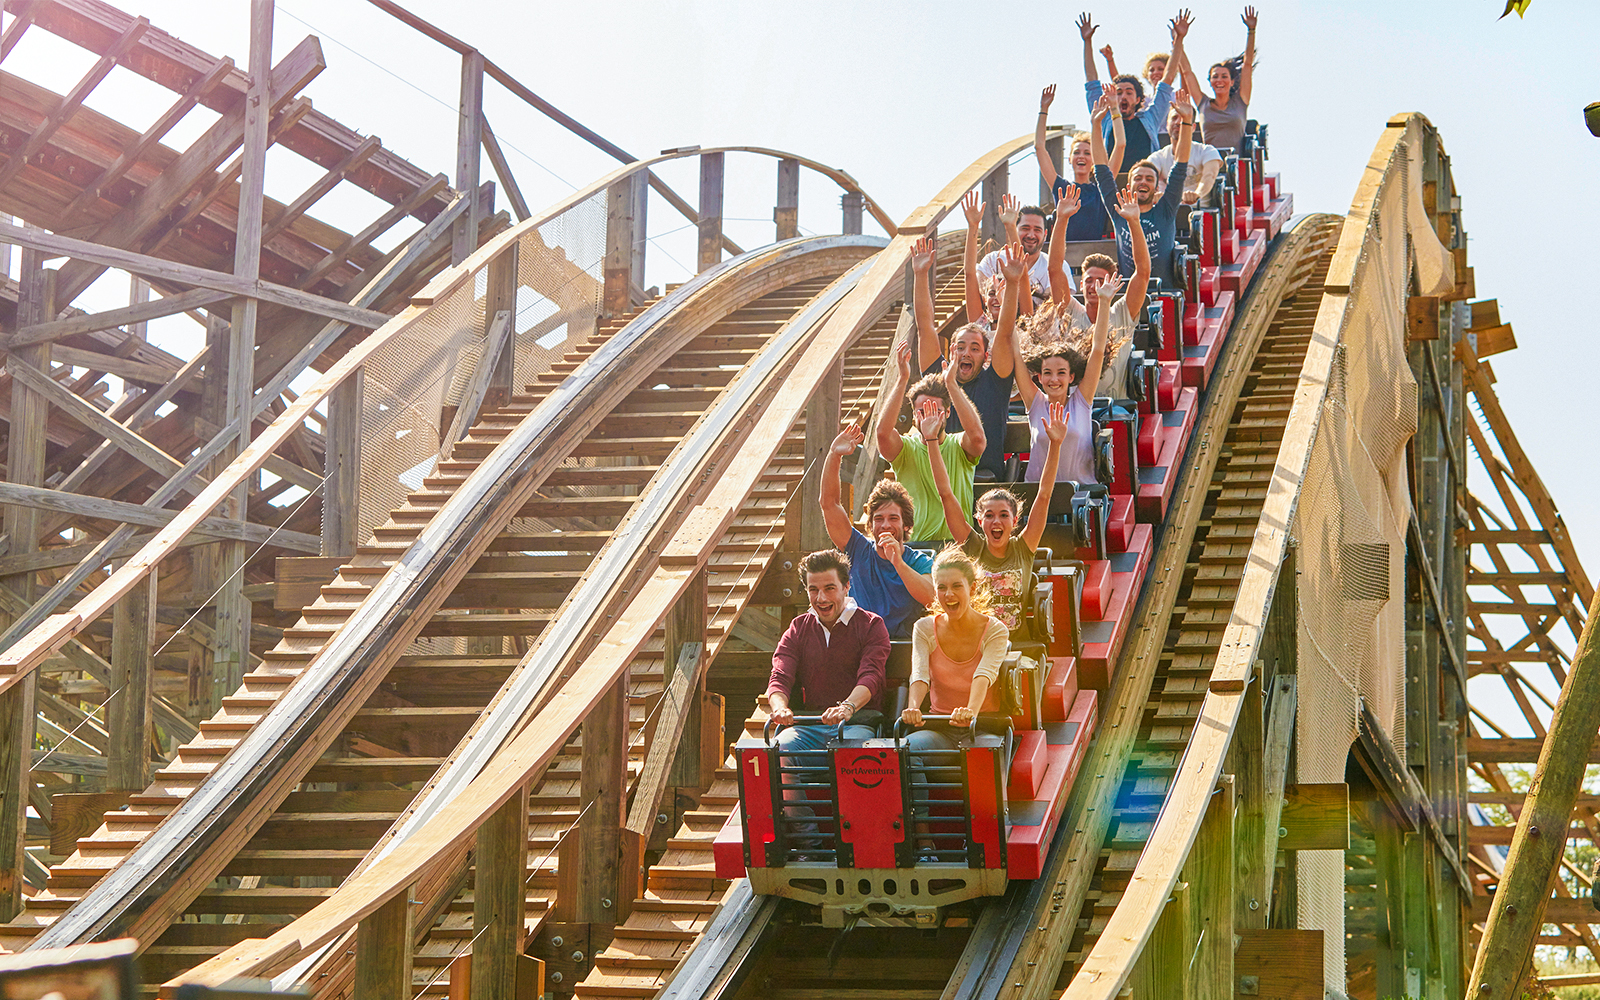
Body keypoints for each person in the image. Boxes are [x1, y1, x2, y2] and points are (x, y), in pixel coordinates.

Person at [766, 548, 891, 849]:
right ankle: (810, 842)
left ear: (847, 587)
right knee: (780, 748)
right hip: (812, 726)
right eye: (813, 590)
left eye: (829, 588)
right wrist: (780, 708)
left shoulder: (871, 625)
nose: (821, 598)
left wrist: (847, 707)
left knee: (853, 754)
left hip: (856, 723)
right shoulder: (798, 628)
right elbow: (780, 675)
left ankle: (860, 843)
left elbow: (871, 677)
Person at [925, 397, 1069, 634]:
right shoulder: (973, 548)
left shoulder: (1023, 548)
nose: (996, 521)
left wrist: (1055, 445)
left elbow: (1044, 495)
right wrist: (931, 441)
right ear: (980, 521)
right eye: (989, 515)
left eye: (1003, 515)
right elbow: (946, 494)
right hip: (978, 646)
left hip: (1016, 648)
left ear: (1014, 521)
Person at [1004, 242, 1113, 485]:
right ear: (1039, 378)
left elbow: (1096, 350)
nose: (1054, 379)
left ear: (1071, 377)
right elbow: (1015, 347)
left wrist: (1104, 303)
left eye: (1061, 373)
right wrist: (1012, 285)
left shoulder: (1081, 402)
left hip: (1081, 499)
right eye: (1048, 373)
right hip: (1039, 495)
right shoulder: (1035, 403)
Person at [913, 236, 1015, 484]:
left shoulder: (996, 381)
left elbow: (1004, 333)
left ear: (986, 356)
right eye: (960, 347)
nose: (966, 353)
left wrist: (1012, 285)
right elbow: (925, 328)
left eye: (974, 348)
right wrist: (920, 274)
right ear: (951, 354)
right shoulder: (938, 376)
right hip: (939, 475)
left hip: (983, 479)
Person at [820, 424, 936, 639]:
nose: (885, 526)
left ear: (906, 525)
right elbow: (829, 504)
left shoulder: (919, 561)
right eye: (879, 519)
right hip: (858, 643)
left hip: (900, 647)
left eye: (893, 519)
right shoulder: (858, 549)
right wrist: (834, 455)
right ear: (871, 524)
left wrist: (898, 562)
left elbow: (932, 597)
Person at [898, 548, 1012, 756]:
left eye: (957, 586)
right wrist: (913, 708)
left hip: (982, 727)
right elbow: (920, 673)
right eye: (942, 587)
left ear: (973, 589)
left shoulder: (995, 630)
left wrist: (970, 711)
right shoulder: (923, 628)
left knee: (985, 753)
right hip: (939, 728)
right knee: (905, 750)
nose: (948, 594)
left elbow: (984, 674)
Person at [875, 342, 986, 542]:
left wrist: (952, 384)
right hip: (916, 545)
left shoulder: (957, 444)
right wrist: (902, 380)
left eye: (936, 411)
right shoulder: (907, 448)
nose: (929, 418)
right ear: (914, 415)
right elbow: (882, 434)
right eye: (923, 412)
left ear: (948, 413)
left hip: (956, 545)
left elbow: (977, 438)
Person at [1048, 185, 1148, 400]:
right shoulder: (1071, 313)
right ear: (1081, 284)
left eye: (1101, 281)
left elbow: (1143, 272)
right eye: (1089, 281)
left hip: (1116, 410)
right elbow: (1054, 269)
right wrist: (1062, 219)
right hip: (1076, 410)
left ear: (1113, 283)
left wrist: (1134, 222)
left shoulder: (1122, 313)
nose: (1094, 287)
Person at [1093, 85, 1196, 290]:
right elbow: (1102, 171)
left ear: (1156, 186)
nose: (1143, 182)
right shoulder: (1119, 210)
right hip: (1130, 298)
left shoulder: (1165, 209)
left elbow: (1181, 165)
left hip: (1166, 294)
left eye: (1149, 179)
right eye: (1138, 178)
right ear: (1129, 185)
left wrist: (1186, 122)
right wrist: (1095, 125)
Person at [1078, 12, 1183, 172]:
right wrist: (1087, 42)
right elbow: (1091, 81)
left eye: (1129, 92)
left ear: (1138, 99)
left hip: (1142, 184)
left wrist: (1179, 41)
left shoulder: (1150, 118)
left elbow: (1167, 80)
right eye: (1119, 93)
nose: (1123, 97)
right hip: (1112, 185)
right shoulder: (1105, 119)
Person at [1174, 6, 1256, 152]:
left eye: (1224, 76)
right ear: (1210, 82)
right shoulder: (1203, 103)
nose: (1220, 80)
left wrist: (1251, 31)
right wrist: (1178, 40)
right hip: (1209, 162)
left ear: (1231, 82)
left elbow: (1247, 65)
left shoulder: (1240, 101)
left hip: (1236, 164)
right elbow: (1187, 73)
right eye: (1215, 77)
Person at [1035, 87, 1109, 241]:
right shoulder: (1062, 187)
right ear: (1069, 159)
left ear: (1094, 160)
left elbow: (1120, 146)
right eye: (1076, 152)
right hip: (1066, 257)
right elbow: (1040, 148)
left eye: (1087, 153)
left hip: (1094, 257)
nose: (1081, 156)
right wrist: (1044, 110)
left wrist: (1097, 123)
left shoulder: (1100, 189)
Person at [976, 197, 1069, 302]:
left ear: (1045, 234)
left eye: (1037, 230)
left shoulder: (1061, 267)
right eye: (1025, 228)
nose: (1031, 235)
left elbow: (1062, 305)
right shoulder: (992, 260)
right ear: (1015, 230)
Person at [1149, 99, 1222, 205]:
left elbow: (1209, 176)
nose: (1178, 122)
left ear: (1193, 127)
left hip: (1201, 214)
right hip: (1168, 215)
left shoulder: (1207, 151)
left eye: (1183, 118)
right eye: (1174, 118)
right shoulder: (1157, 158)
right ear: (1167, 125)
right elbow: (1148, 177)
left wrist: (1197, 195)